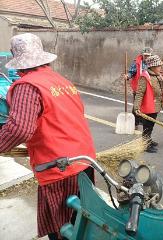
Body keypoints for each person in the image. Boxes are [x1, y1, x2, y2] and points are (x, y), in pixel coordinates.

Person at [0, 33, 96, 240]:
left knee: (63, 229)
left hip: (59, 168)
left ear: (18, 64)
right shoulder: (61, 81)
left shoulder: (27, 86)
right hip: (84, 162)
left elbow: (19, 129)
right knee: (83, 222)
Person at [134, 55, 163, 153]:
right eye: (158, 66)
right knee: (147, 126)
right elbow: (139, 93)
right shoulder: (145, 77)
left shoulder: (158, 76)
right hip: (149, 106)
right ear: (152, 67)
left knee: (151, 125)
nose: (160, 67)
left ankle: (149, 139)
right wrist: (136, 107)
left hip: (156, 105)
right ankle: (145, 144)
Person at [127, 47, 153, 129]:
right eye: (145, 56)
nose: (147, 57)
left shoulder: (152, 63)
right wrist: (127, 76)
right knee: (137, 105)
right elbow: (131, 72)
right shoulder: (137, 63)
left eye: (148, 56)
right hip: (138, 87)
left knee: (145, 104)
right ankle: (135, 122)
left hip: (148, 87)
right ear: (142, 55)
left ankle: (142, 120)